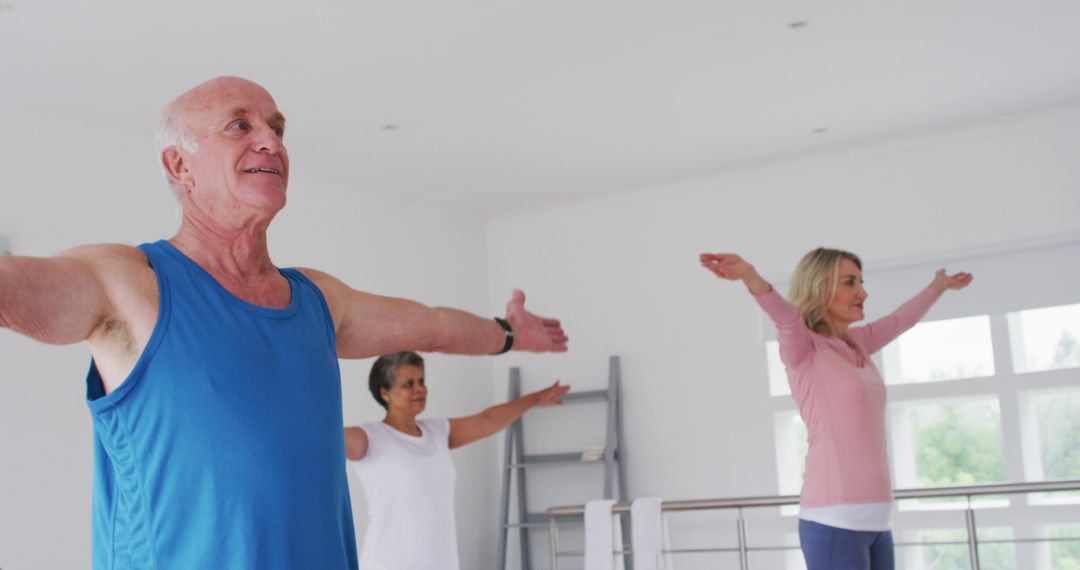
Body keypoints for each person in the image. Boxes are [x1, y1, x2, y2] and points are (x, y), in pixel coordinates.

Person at [0, 76, 568, 570]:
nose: (270, 140)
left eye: (276, 126)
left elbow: (434, 325)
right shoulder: (127, 283)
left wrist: (511, 334)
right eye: (239, 126)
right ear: (179, 164)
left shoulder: (317, 300)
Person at [699, 248, 972, 570]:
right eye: (850, 283)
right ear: (820, 288)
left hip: (878, 519)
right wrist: (749, 275)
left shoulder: (858, 343)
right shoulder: (803, 346)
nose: (862, 292)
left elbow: (900, 320)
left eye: (860, 281)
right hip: (834, 519)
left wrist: (937, 287)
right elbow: (786, 317)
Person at [343, 351, 569, 570]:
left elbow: (487, 420)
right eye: (408, 384)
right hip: (388, 564)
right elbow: (325, 439)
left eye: (421, 381)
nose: (420, 389)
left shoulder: (438, 431)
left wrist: (537, 398)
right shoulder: (370, 437)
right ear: (385, 393)